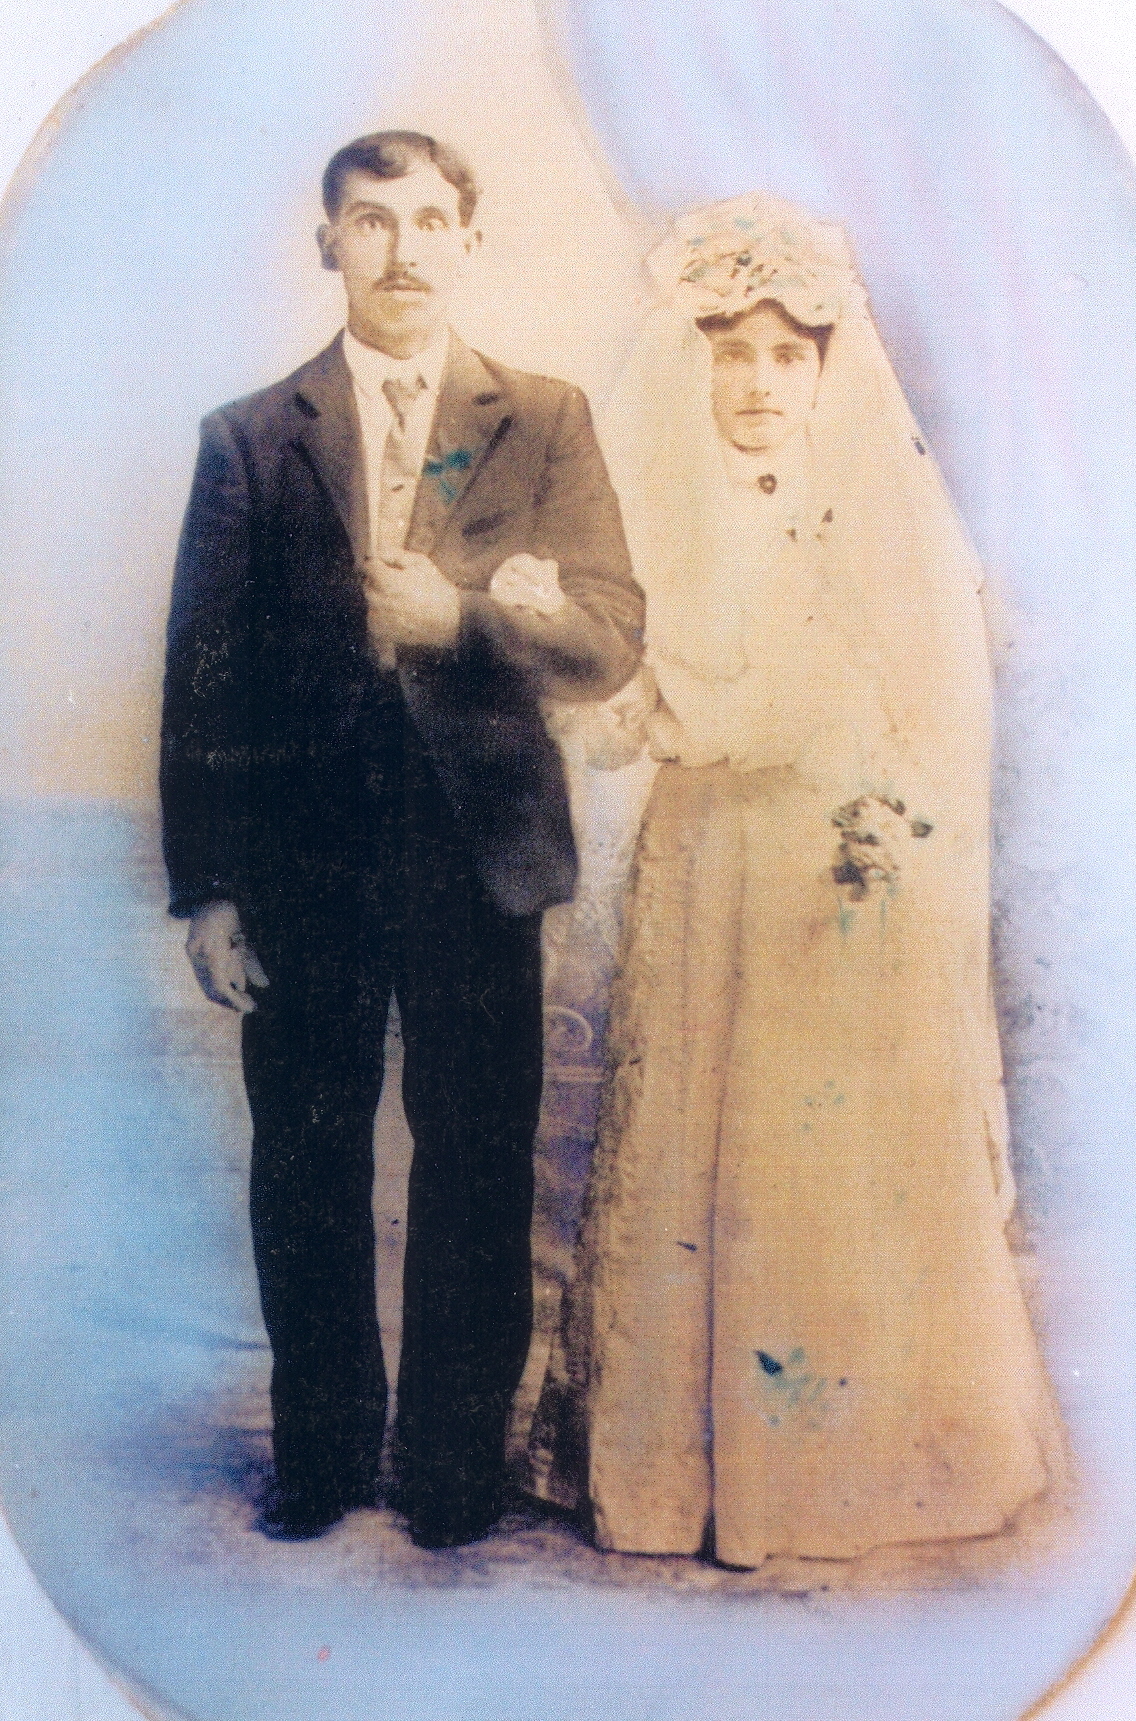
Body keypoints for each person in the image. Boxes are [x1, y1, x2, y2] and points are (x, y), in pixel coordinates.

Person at [528, 193, 1066, 1570]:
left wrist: (888, 827)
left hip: (834, 872)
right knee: (696, 1129)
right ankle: (682, 1475)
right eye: (732, 355)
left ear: (829, 369)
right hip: (708, 858)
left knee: (819, 1151)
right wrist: (572, 650)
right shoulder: (661, 516)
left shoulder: (883, 520)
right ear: (697, 366)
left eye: (786, 355)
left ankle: (844, 1469)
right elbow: (616, 712)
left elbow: (908, 718)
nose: (759, 384)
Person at [159, 131, 642, 1548]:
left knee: (477, 1154)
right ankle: (320, 1458)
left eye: (432, 220)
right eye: (372, 222)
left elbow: (610, 638)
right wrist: (210, 890)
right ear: (330, 245)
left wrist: (464, 618)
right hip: (302, 862)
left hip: (476, 852)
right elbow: (202, 679)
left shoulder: (541, 418)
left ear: (467, 241)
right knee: (304, 1157)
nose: (405, 250)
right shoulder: (253, 435)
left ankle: (448, 1470)